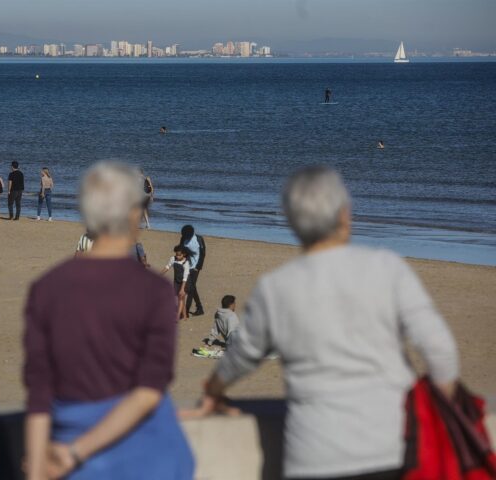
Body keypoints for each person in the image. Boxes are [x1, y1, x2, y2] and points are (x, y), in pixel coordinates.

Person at [189, 165, 459, 480]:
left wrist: (212, 390)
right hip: (390, 447)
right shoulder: (387, 269)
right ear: (345, 214)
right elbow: (441, 351)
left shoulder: (277, 286)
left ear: (292, 222)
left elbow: (241, 358)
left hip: (315, 456)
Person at [23, 162, 194, 480]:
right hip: (149, 455)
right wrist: (76, 453)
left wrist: (36, 468)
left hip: (72, 442)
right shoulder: (154, 292)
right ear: (134, 214)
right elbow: (149, 391)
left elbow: (39, 392)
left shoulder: (46, 289)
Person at [180, 225, 206, 316]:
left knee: (190, 289)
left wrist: (198, 267)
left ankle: (186, 311)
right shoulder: (183, 238)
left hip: (195, 267)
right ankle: (200, 308)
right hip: (186, 266)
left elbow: (203, 254)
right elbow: (181, 251)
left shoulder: (199, 239)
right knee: (192, 287)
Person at [161, 245, 191, 320]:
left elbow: (185, 277)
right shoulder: (173, 259)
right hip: (177, 281)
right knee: (181, 298)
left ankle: (177, 316)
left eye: (179, 255)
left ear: (184, 254)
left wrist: (182, 288)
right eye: (176, 254)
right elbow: (167, 267)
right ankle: (185, 316)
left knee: (180, 298)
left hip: (185, 282)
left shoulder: (186, 263)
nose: (177, 256)